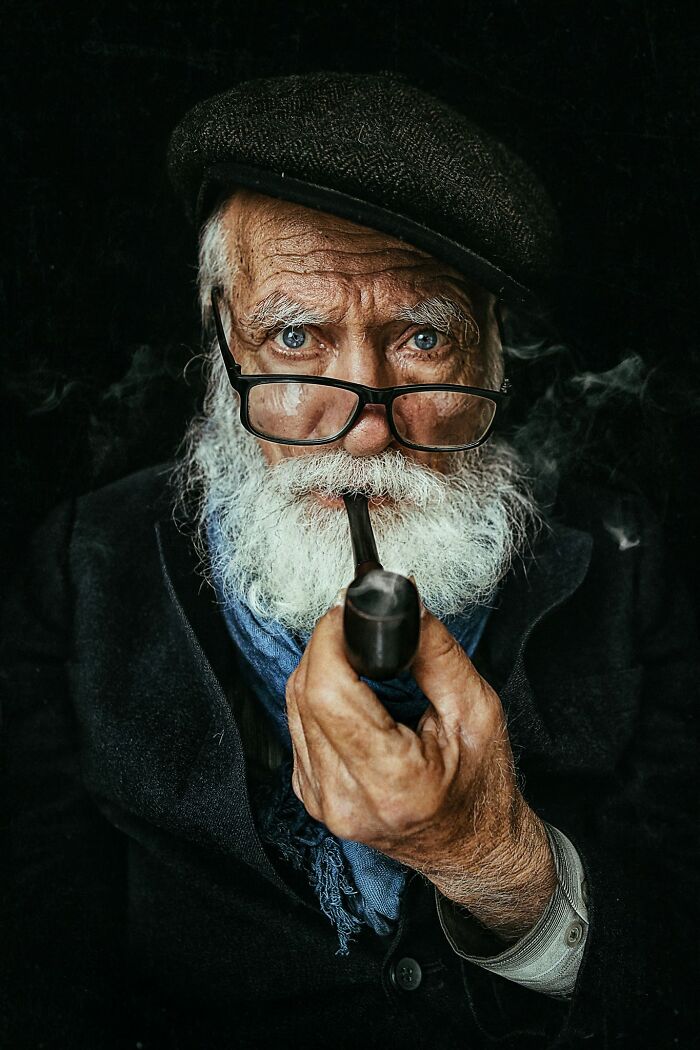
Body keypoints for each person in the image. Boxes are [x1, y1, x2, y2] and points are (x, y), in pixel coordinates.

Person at [1, 72, 696, 1050]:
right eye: (294, 334)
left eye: (422, 335)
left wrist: (493, 860)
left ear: (495, 352)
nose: (365, 429)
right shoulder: (82, 572)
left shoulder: (628, 568)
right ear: (221, 346)